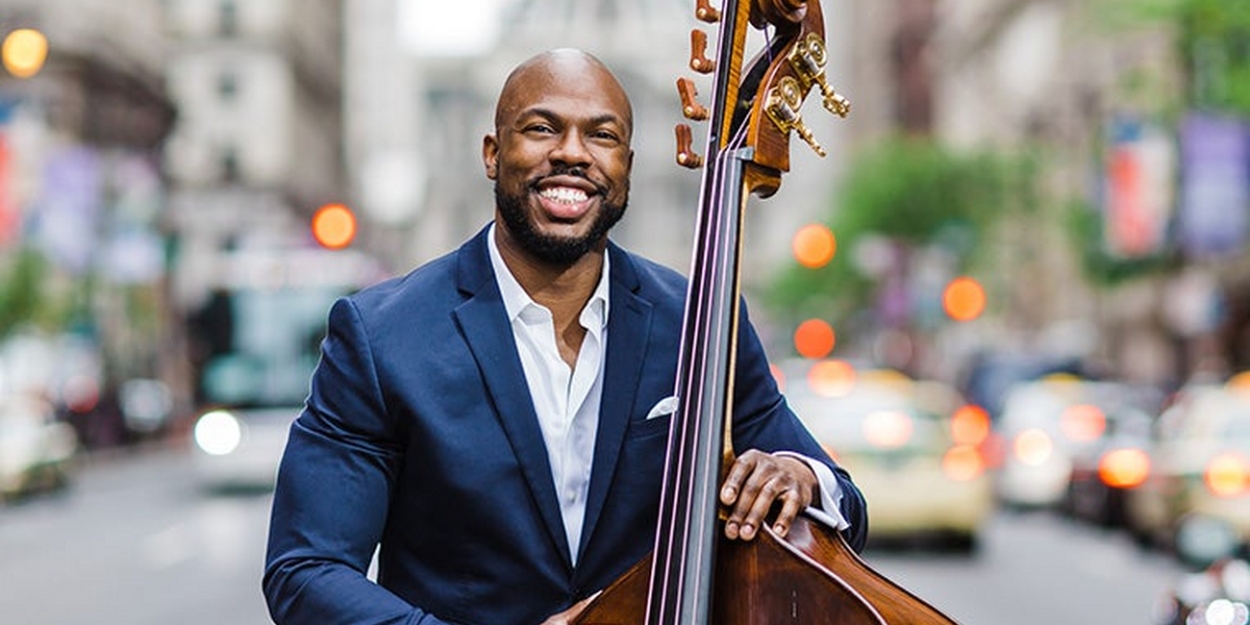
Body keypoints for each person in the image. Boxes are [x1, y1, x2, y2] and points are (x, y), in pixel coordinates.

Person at [263, 48, 868, 625]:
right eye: (541, 128)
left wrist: (799, 476)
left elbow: (845, 504)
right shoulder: (380, 336)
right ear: (493, 154)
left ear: (626, 165)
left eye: (602, 136)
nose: (572, 154)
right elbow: (306, 573)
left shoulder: (704, 321)